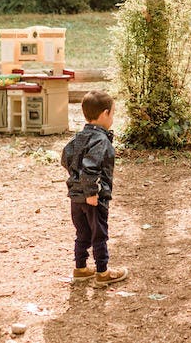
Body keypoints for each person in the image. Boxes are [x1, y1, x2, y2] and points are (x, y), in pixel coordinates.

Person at [61, 90, 128, 286]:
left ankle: (80, 268)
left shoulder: (79, 137)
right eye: (113, 114)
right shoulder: (101, 141)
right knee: (99, 234)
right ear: (105, 114)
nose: (112, 118)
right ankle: (102, 272)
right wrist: (91, 191)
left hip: (76, 197)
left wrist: (76, 181)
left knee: (82, 233)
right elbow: (91, 167)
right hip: (94, 198)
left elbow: (66, 157)